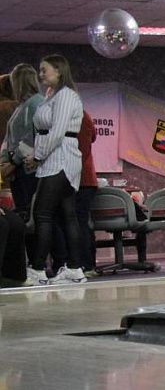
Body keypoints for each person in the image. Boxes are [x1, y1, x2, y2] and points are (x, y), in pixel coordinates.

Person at [25, 55, 86, 285]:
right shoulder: (52, 96)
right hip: (52, 159)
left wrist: (38, 156)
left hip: (61, 159)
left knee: (42, 214)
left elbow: (58, 131)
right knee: (66, 214)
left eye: (44, 70)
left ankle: (39, 268)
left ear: (59, 71)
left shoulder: (67, 96)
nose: (41, 75)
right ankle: (74, 267)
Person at [1, 65, 43, 227]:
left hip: (28, 170)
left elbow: (32, 139)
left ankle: (37, 253)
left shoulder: (35, 104)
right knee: (23, 216)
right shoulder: (21, 107)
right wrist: (4, 161)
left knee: (31, 218)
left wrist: (12, 162)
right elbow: (8, 138)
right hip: (18, 170)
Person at [75, 110, 98, 273]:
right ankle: (86, 263)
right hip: (84, 178)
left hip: (80, 179)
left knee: (80, 222)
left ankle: (86, 263)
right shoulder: (85, 116)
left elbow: (81, 151)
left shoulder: (81, 117)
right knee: (81, 222)